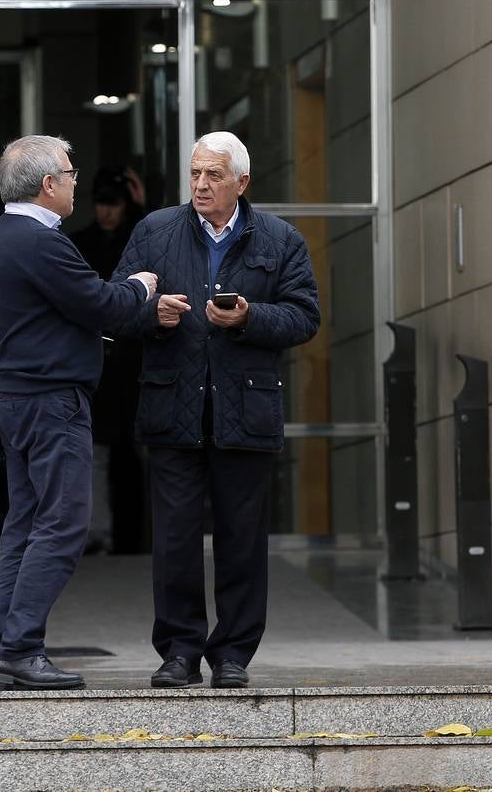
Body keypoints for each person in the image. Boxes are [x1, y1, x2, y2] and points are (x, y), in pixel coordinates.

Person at [111, 131, 320, 689]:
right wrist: (152, 313)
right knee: (175, 539)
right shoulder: (155, 231)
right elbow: (114, 306)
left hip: (245, 410)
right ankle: (178, 650)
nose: (200, 185)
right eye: (195, 174)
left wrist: (250, 316)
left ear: (242, 182)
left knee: (242, 539)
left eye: (213, 176)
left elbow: (305, 317)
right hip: (173, 408)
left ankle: (232, 654)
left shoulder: (280, 239)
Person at [0, 134, 158, 690]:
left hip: (17, 401)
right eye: (71, 174)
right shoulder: (38, 241)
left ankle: (12, 647)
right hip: (50, 402)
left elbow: (66, 313)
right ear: (49, 184)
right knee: (62, 524)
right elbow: (100, 303)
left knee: (26, 525)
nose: (77, 182)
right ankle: (23, 648)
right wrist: (141, 288)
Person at [72, 167, 149, 554]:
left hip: (130, 361)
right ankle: (98, 534)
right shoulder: (79, 243)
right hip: (98, 360)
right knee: (97, 452)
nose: (106, 212)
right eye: (101, 204)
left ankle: (128, 536)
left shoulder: (135, 237)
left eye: (113, 205)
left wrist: (140, 207)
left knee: (127, 455)